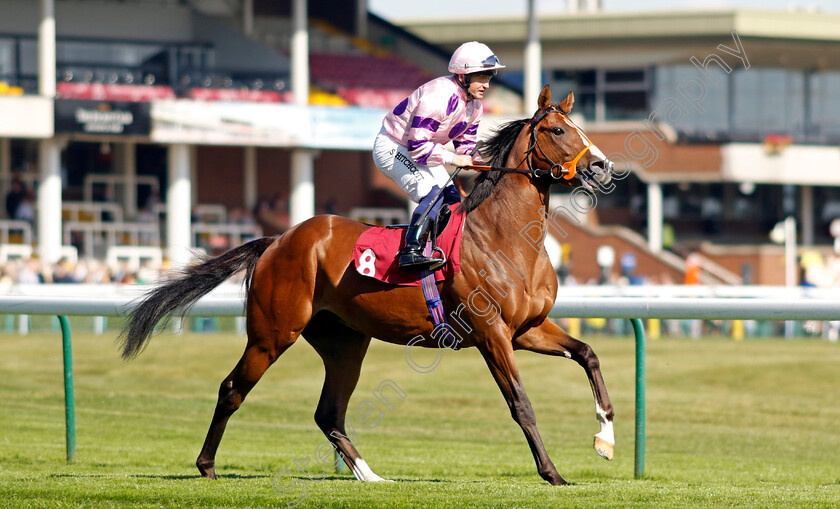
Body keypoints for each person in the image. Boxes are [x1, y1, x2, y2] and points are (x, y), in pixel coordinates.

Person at [373, 41, 504, 270]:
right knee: (432, 194)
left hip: (422, 149)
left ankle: (436, 248)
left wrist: (486, 165)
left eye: (489, 77)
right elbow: (417, 147)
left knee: (453, 200)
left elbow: (466, 148)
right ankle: (410, 250)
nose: (487, 85)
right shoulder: (438, 97)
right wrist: (455, 159)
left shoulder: (475, 107)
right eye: (482, 77)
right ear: (463, 76)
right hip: (393, 146)